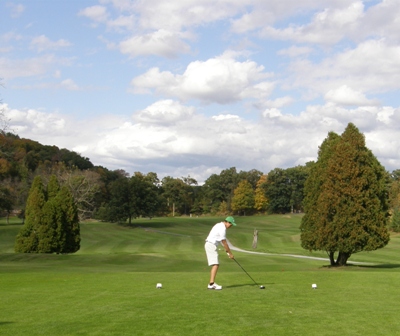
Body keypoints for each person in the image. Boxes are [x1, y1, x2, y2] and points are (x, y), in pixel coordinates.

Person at [204, 216, 236, 290]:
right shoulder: (222, 228)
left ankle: (211, 284)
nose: (231, 226)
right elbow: (224, 242)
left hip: (211, 244)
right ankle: (211, 284)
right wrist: (230, 253)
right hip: (211, 245)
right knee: (215, 264)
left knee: (216, 264)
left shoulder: (219, 225)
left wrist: (228, 252)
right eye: (231, 224)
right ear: (227, 222)